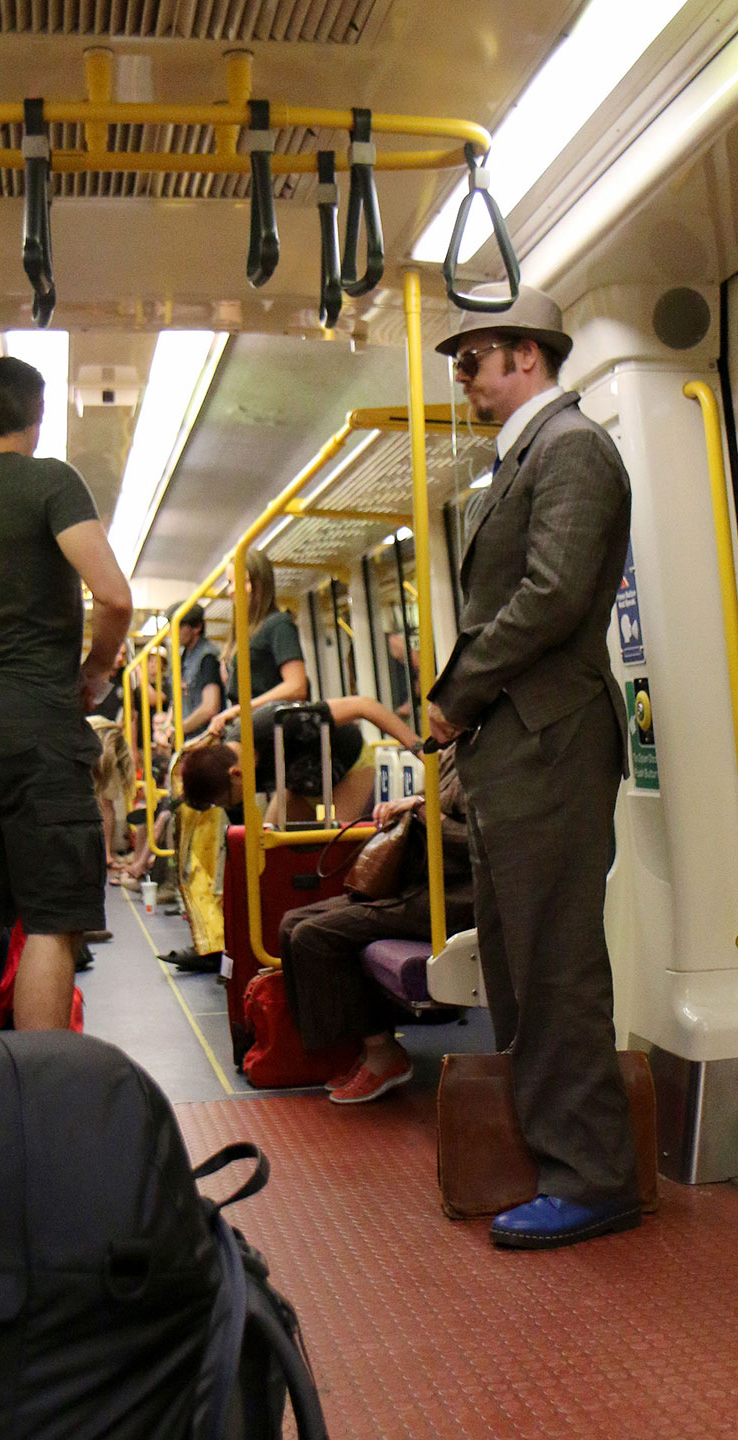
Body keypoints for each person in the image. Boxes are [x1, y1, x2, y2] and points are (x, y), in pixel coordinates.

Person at [426, 283, 639, 1250]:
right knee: (515, 960)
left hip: (551, 739)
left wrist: (455, 692)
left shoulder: (573, 450)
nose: (462, 377)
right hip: (515, 746)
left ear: (525, 356)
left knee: (555, 963)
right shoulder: (518, 464)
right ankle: (545, 1150)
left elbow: (552, 597)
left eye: (471, 358)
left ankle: (592, 1176)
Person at [0, 355, 132, 1034]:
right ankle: (38, 1086)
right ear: (37, 419)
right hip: (39, 723)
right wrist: (93, 672)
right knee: (50, 923)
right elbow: (114, 596)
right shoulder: (51, 482)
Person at [279, 744, 474, 1103]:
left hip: (456, 896)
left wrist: (419, 810)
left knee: (314, 936)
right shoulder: (451, 755)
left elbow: (479, 840)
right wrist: (401, 805)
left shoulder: (489, 762)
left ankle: (382, 1051)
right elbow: (424, 798)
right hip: (421, 882)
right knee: (292, 923)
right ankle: (358, 1050)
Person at [182, 695, 420, 825]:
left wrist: (420, 748)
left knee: (332, 844)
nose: (231, 805)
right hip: (301, 782)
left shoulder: (284, 724)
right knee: (274, 845)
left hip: (349, 765)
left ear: (236, 774)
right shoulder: (229, 761)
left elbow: (364, 706)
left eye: (227, 800)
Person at [208, 550, 307, 736]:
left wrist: (240, 710)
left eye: (241, 581)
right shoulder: (245, 635)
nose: (231, 591)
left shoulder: (278, 624)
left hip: (276, 729)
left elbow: (297, 686)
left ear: (260, 584)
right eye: (230, 583)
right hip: (255, 726)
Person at [177, 603, 224, 738]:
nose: (174, 632)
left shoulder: (207, 657)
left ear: (197, 627)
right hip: (189, 737)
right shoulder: (183, 657)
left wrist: (179, 729)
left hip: (204, 738)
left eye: (180, 626)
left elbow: (210, 708)